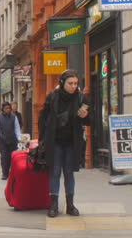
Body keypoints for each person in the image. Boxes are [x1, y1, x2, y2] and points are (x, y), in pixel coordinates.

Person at [38, 69, 90, 218]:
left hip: (72, 142)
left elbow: (89, 121)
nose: (73, 86)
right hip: (54, 141)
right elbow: (43, 119)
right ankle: (53, 204)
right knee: (54, 172)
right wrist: (42, 140)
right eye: (70, 83)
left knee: (69, 172)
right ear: (62, 83)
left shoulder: (81, 98)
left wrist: (86, 116)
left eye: (75, 83)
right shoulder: (52, 97)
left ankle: (70, 205)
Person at [0, 102, 21, 180]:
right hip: (2, 140)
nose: (8, 110)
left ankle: (12, 173)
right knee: (4, 157)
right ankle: (5, 173)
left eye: (9, 108)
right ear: (3, 109)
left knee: (12, 157)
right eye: (6, 108)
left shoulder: (14, 117)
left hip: (12, 140)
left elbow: (17, 128)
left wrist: (19, 138)